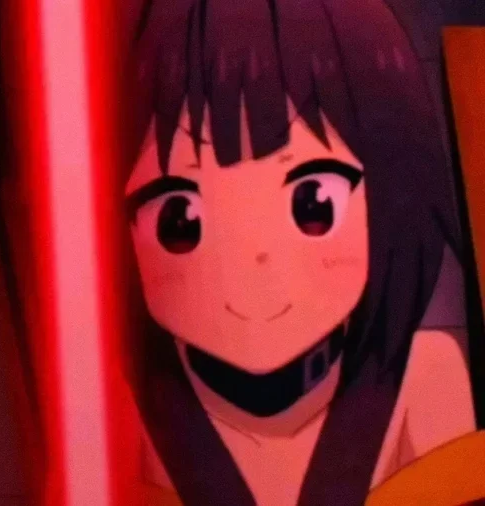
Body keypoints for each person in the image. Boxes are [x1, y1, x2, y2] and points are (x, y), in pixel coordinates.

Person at [122, 0, 478, 504]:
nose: (250, 262)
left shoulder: (422, 377)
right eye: (180, 221)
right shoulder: (123, 407)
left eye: (313, 205)